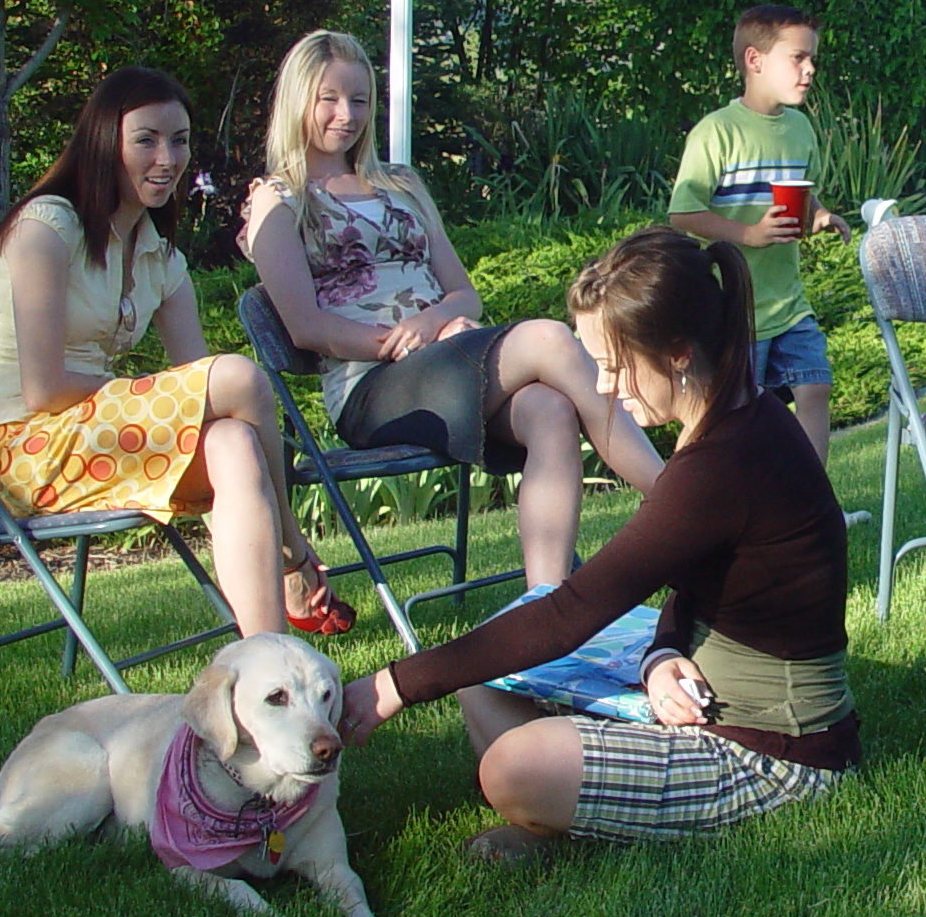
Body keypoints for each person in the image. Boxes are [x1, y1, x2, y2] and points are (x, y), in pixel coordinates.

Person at [340, 226, 859, 864]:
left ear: (675, 354)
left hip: (774, 758)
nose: (605, 387)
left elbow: (570, 615)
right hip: (710, 696)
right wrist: (661, 655)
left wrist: (395, 684)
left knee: (512, 767)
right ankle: (574, 813)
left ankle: (559, 828)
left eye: (614, 364)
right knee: (484, 679)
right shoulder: (736, 419)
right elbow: (693, 582)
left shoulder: (721, 464)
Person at [242, 30, 664, 592]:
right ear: (299, 99)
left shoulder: (400, 182)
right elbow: (305, 326)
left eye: (360, 100)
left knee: (549, 411)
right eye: (329, 99)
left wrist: (436, 324)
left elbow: (464, 294)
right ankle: (678, 505)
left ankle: (547, 607)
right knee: (549, 339)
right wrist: (410, 340)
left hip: (441, 363)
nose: (346, 114)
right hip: (372, 386)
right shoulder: (280, 196)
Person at [0, 66, 341, 636]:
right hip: (22, 447)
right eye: (146, 140)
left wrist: (172, 397)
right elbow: (41, 388)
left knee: (233, 438)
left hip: (96, 437)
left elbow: (194, 380)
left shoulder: (159, 258)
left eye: (180, 140)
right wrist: (156, 394)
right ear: (104, 142)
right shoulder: (46, 228)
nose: (167, 158)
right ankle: (292, 552)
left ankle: (268, 653)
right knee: (240, 378)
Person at [667, 4, 850, 466]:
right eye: (798, 58)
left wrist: (820, 216)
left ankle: (810, 503)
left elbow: (801, 199)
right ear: (755, 60)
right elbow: (683, 213)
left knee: (815, 385)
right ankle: (686, 498)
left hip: (788, 302)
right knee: (728, 414)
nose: (809, 70)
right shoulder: (718, 132)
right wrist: (747, 233)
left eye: (813, 60)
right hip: (735, 308)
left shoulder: (800, 129)